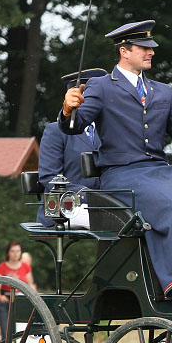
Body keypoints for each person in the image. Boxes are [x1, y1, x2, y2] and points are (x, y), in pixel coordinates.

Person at [60, 19, 172, 297]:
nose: (151, 52)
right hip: (121, 175)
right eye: (143, 47)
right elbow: (76, 126)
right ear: (124, 51)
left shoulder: (163, 92)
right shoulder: (101, 86)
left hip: (160, 173)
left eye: (151, 47)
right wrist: (68, 110)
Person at [37, 68, 107, 228]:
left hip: (106, 206)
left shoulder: (109, 131)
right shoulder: (55, 131)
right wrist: (89, 196)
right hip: (67, 207)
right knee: (113, 224)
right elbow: (49, 178)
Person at [0, 241, 37, 343]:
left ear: (20, 252)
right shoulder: (2, 267)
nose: (15, 253)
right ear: (8, 253)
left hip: (21, 302)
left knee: (20, 333)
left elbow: (31, 284)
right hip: (5, 301)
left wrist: (35, 298)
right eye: (12, 251)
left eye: (17, 251)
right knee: (5, 332)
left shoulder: (26, 266)